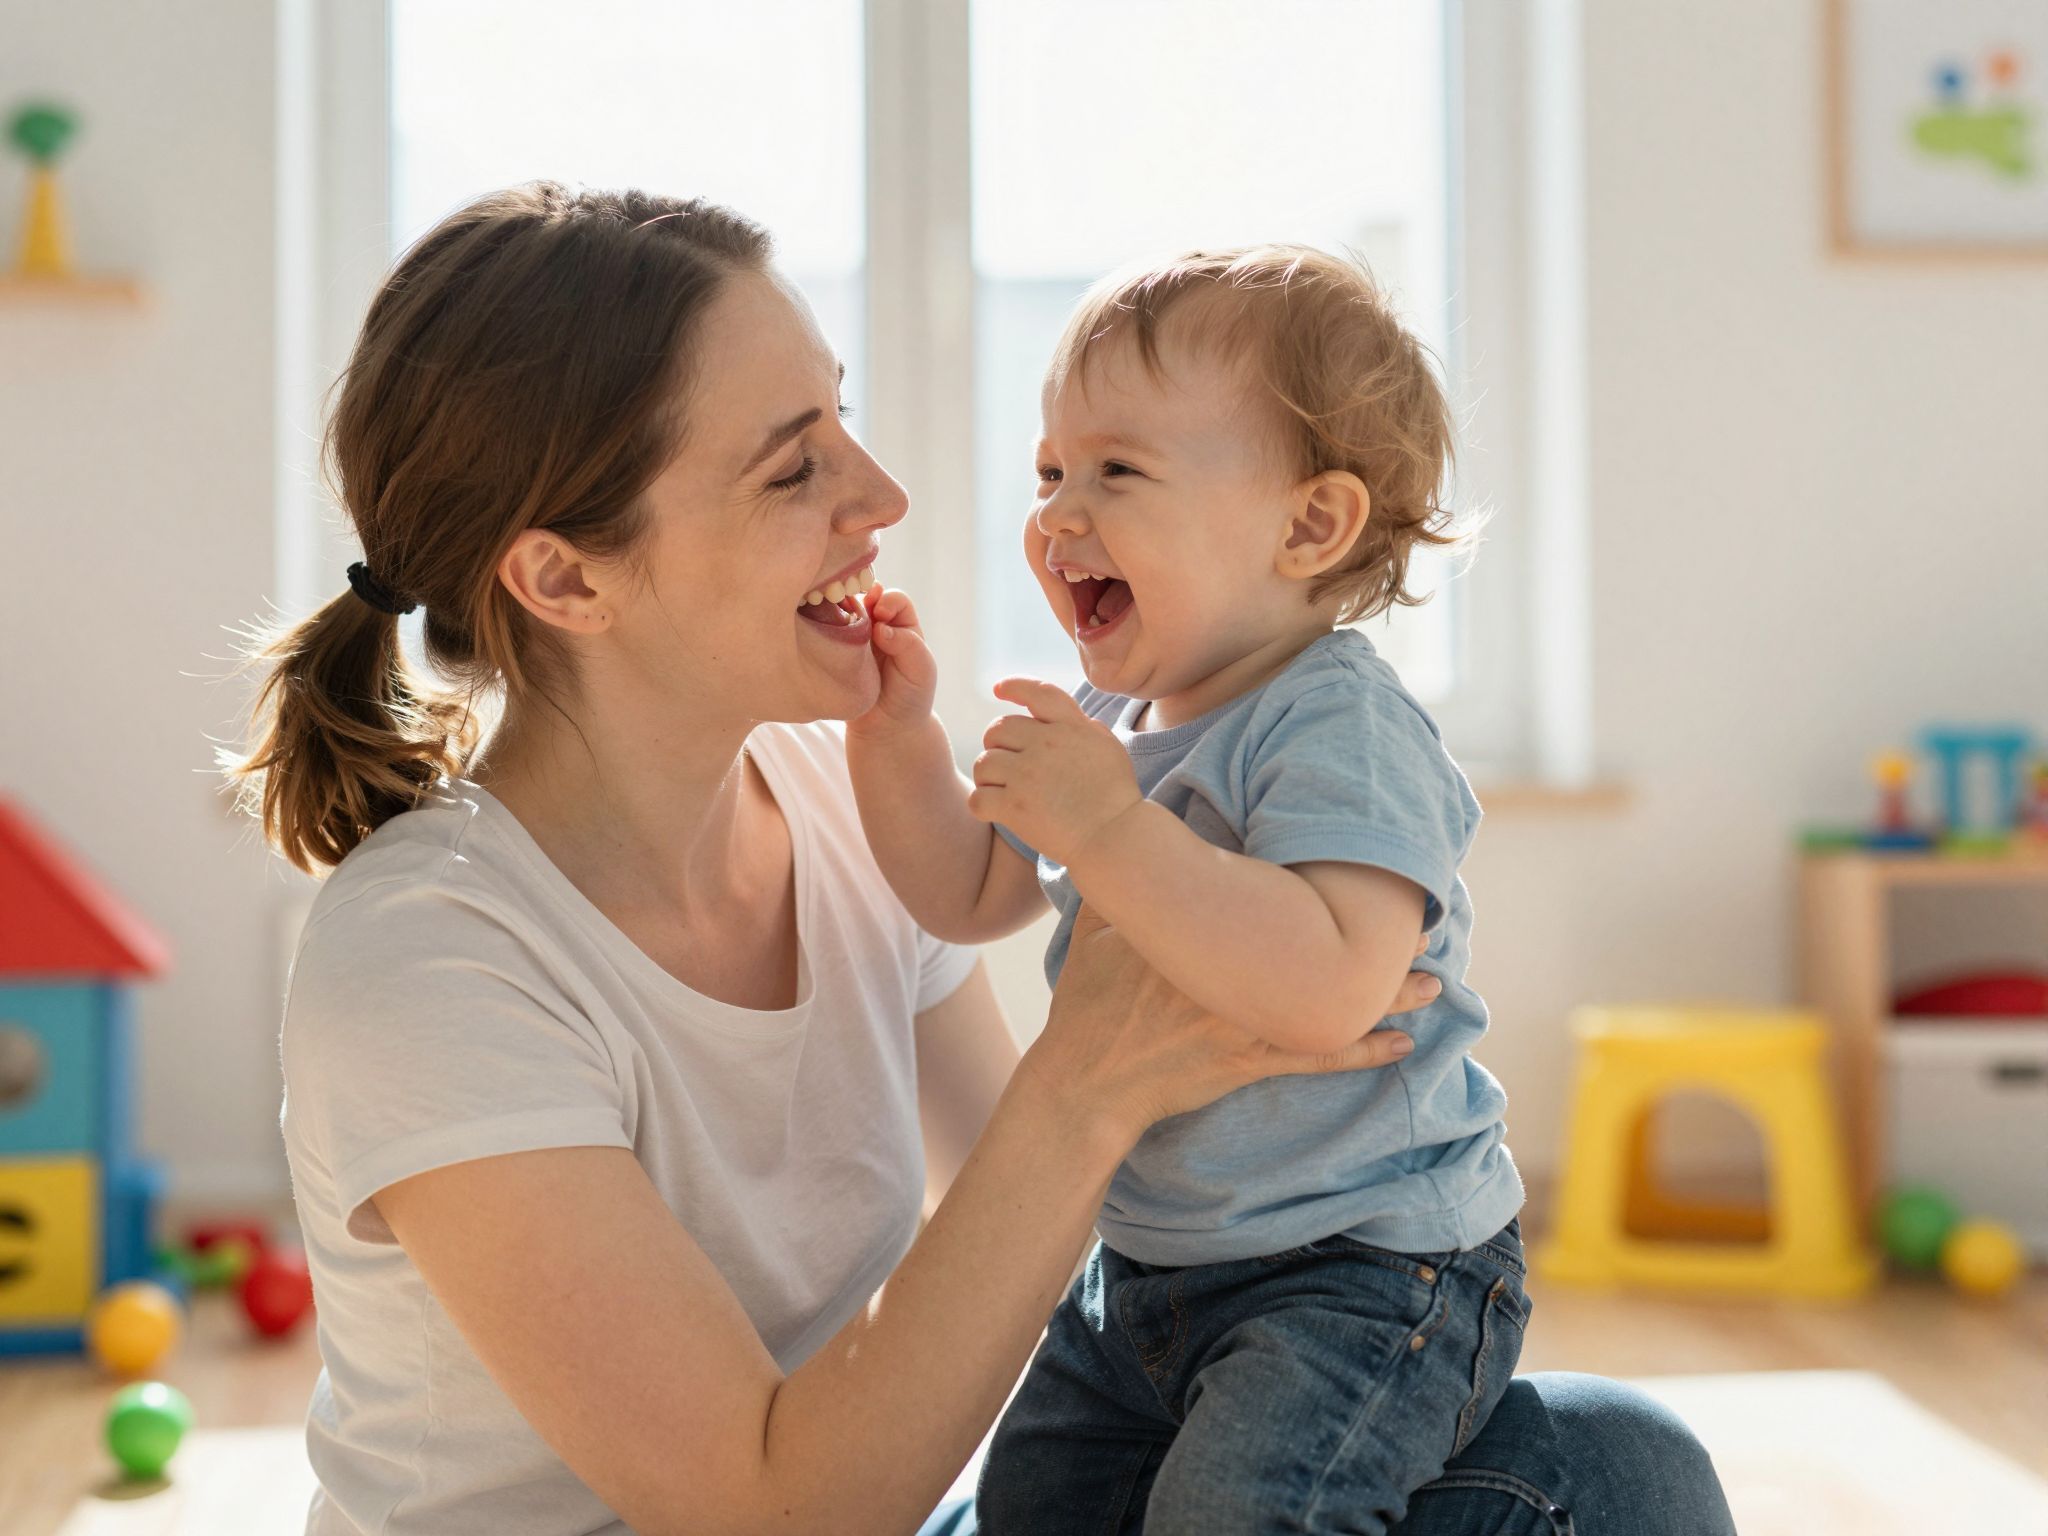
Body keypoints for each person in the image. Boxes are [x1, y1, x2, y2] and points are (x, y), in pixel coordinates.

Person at [228, 183, 1734, 1536]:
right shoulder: (428, 959)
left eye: (844, 418)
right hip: (791, 1514)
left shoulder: (837, 806)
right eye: (792, 468)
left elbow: (1032, 1217)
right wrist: (1095, 1075)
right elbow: (769, 1507)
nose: (880, 498)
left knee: (1613, 1461)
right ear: (565, 576)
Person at [849, 246, 1524, 1533]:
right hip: (1146, 1265)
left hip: (1360, 1273)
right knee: (1026, 1510)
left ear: (1307, 526)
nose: (1058, 514)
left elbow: (1328, 988)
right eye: (1048, 472)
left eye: (1115, 471)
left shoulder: (1337, 722)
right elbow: (968, 894)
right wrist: (894, 736)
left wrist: (1108, 826)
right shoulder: (1112, 714)